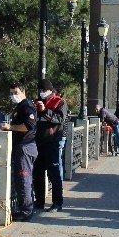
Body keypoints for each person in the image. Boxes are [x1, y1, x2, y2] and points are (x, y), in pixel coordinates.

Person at [0, 83, 38, 221]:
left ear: (23, 92)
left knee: (24, 180)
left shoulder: (26, 106)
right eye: (11, 93)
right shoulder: (21, 106)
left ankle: (26, 212)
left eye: (15, 92)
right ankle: (25, 209)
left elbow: (29, 126)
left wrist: (10, 127)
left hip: (25, 148)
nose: (13, 96)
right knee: (23, 180)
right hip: (25, 147)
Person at [32, 78, 68, 212]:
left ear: (50, 90)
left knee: (54, 174)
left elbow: (59, 119)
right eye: (40, 90)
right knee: (38, 174)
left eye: (44, 90)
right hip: (38, 142)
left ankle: (57, 203)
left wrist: (45, 111)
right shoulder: (37, 101)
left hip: (52, 142)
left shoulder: (59, 102)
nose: (41, 93)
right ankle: (39, 201)